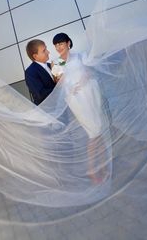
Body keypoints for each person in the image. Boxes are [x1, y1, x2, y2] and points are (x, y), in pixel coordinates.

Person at [52, 32, 110, 185]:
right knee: (94, 131)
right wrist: (63, 65)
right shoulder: (56, 63)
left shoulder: (80, 56)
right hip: (76, 99)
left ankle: (103, 166)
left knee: (99, 130)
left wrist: (86, 76)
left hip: (90, 93)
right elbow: (59, 83)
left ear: (68, 43)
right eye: (56, 45)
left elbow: (91, 70)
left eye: (61, 43)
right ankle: (91, 169)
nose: (58, 47)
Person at [24, 39, 56, 105]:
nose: (48, 52)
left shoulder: (51, 65)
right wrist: (62, 87)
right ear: (35, 56)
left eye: (46, 49)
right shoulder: (30, 72)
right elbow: (41, 95)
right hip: (47, 112)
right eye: (44, 51)